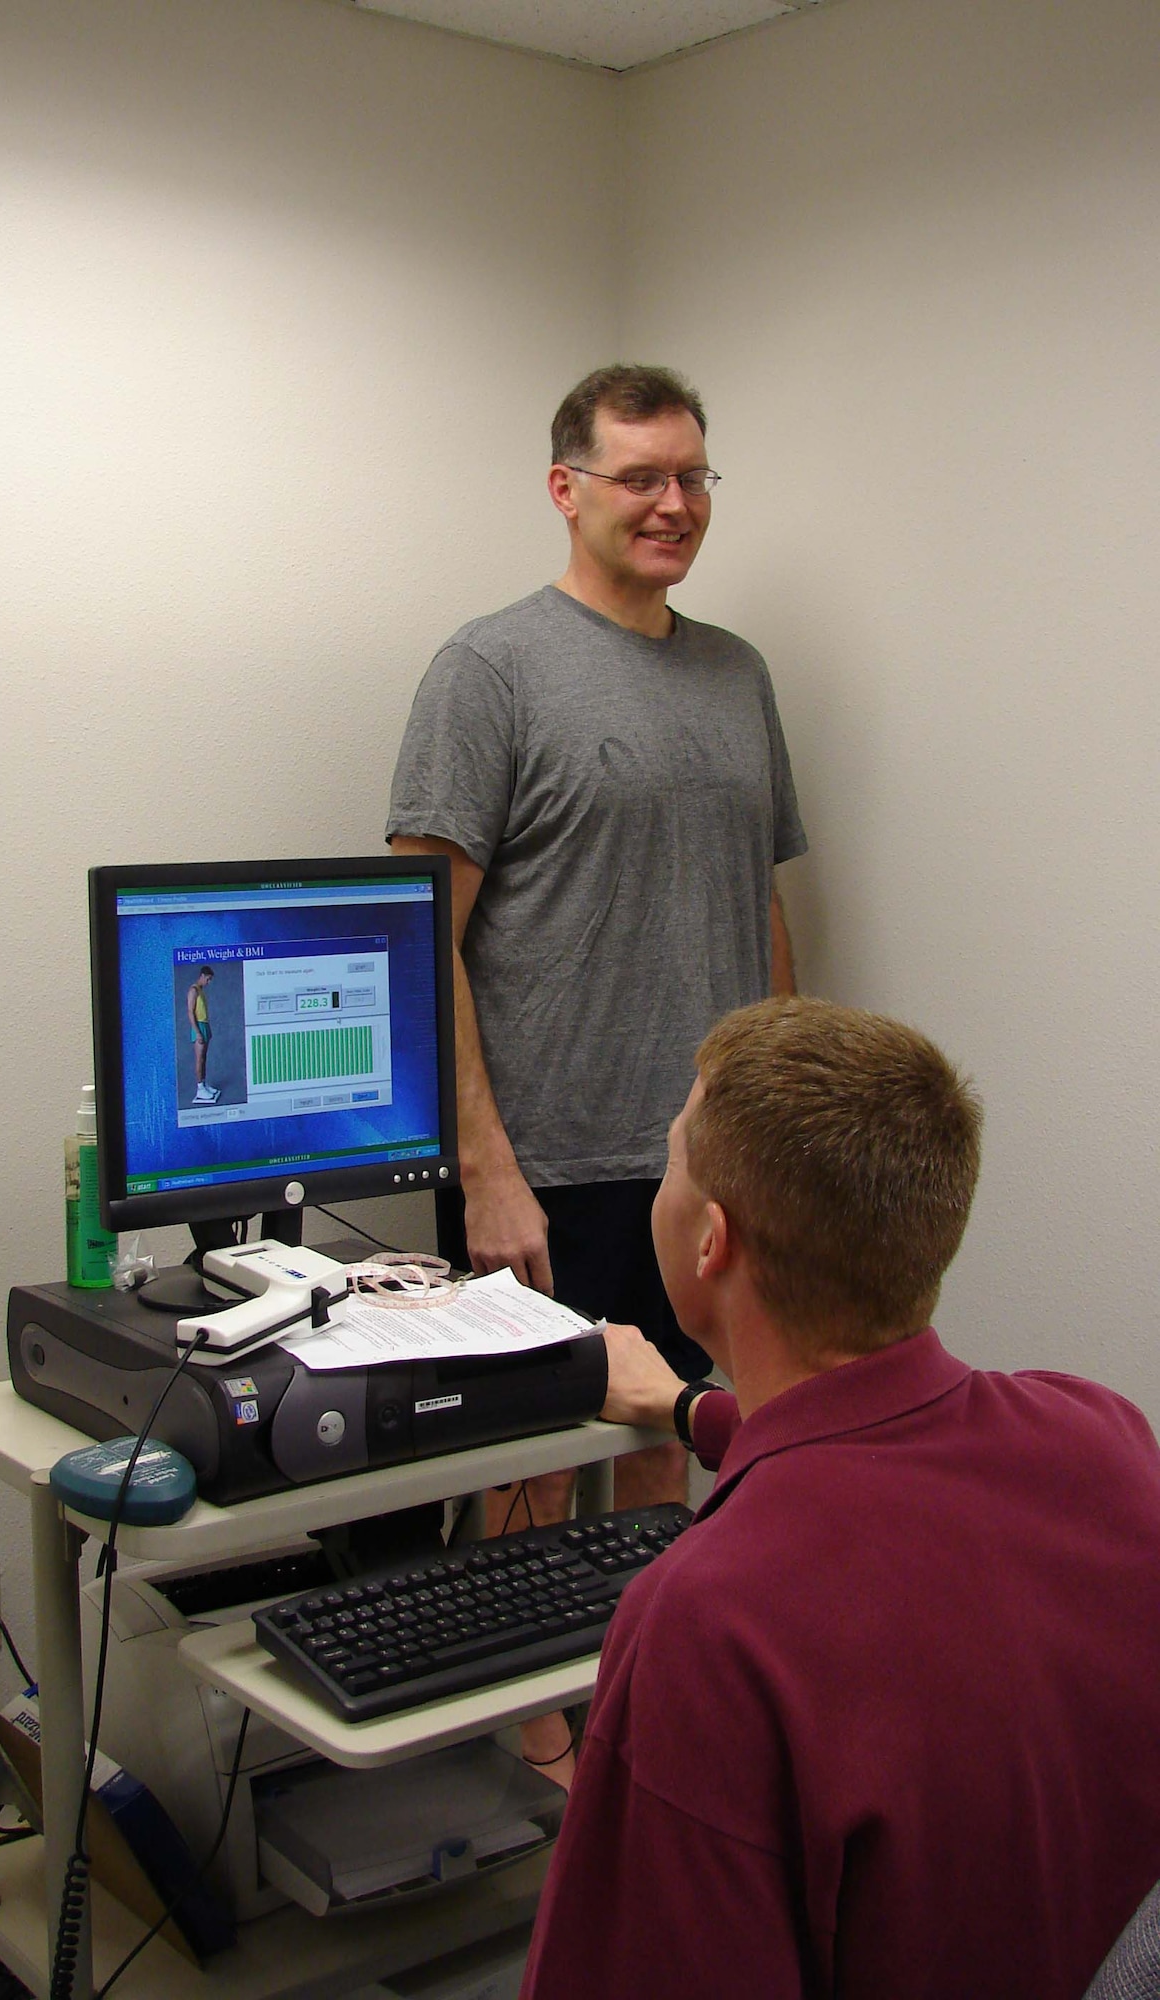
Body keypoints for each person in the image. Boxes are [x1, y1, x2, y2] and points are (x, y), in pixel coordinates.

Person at [520, 997, 1160, 2000]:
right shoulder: (1104, 1439)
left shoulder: (705, 1622)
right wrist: (689, 1406)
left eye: (672, 1151)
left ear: (710, 1242)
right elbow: (887, 1463)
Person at [388, 366, 806, 1769]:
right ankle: (528, 1751)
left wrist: (782, 1118)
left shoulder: (736, 673)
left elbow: (758, 904)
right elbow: (416, 939)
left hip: (710, 1164)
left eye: (691, 477)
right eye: (640, 478)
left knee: (658, 1446)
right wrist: (483, 1170)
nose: (672, 504)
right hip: (550, 1162)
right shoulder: (488, 670)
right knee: (519, 1468)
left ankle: (631, 1723)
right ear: (567, 488)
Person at [186, 965, 219, 1105]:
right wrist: (198, 1032)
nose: (209, 982)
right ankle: (199, 1088)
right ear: (203, 976)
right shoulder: (193, 990)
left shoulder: (201, 990)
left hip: (204, 1024)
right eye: (208, 979)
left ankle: (204, 1085)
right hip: (198, 1026)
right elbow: (190, 1012)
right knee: (199, 1059)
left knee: (204, 1058)